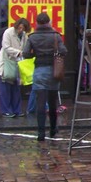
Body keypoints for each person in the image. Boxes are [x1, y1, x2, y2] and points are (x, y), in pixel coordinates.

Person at [23, 12, 67, 141]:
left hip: (39, 70)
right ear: (49, 22)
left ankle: (40, 133)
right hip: (53, 71)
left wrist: (35, 54)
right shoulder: (55, 36)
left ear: (36, 23)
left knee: (40, 102)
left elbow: (26, 53)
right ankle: (53, 129)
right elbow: (63, 51)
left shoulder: (32, 37)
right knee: (52, 102)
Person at [0, 17, 30, 117]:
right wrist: (19, 53)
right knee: (6, 88)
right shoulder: (8, 32)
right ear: (17, 26)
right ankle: (6, 110)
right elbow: (6, 47)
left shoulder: (24, 36)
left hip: (17, 63)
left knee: (16, 88)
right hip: (7, 62)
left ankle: (17, 109)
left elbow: (25, 47)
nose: (21, 30)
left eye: (23, 29)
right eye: (20, 28)